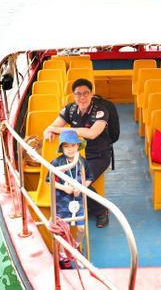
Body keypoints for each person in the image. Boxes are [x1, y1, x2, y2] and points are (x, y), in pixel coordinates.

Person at [44, 78, 112, 228]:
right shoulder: (70, 109)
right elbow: (53, 126)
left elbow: (91, 133)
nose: (82, 97)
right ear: (73, 95)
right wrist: (48, 130)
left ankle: (101, 211)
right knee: (68, 180)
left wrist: (62, 130)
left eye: (86, 93)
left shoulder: (101, 111)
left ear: (91, 93)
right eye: (78, 94)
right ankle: (68, 211)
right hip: (77, 155)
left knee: (79, 181)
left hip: (98, 156)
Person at [47, 130, 92, 267]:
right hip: (61, 202)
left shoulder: (83, 162)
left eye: (73, 146)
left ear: (78, 146)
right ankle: (62, 254)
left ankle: (76, 245)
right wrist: (63, 188)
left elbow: (89, 178)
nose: (70, 149)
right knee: (62, 230)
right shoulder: (56, 163)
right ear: (62, 148)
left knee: (81, 229)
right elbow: (49, 181)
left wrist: (81, 188)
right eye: (66, 146)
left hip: (78, 201)